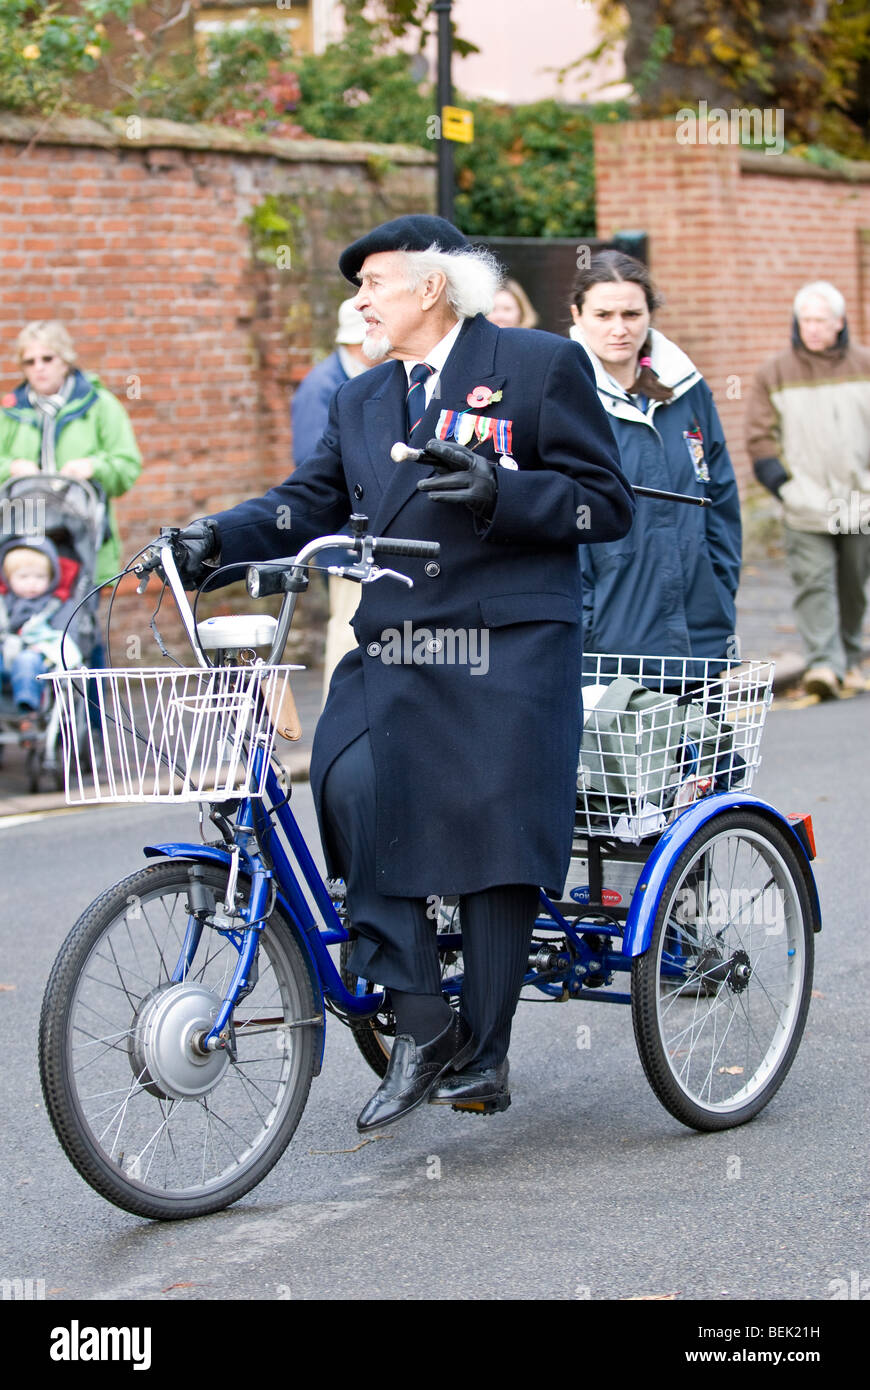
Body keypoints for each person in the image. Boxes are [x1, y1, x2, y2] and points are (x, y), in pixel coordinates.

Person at [168, 214, 635, 1131]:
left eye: (373, 281)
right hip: (398, 640)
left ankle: (484, 1052)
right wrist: (217, 537)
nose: (362, 300)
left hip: (508, 642)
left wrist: (507, 492)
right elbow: (310, 501)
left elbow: (605, 504)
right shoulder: (363, 397)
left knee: (493, 838)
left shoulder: (537, 364)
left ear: (430, 287)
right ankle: (422, 1017)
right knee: (350, 784)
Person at [569, 251, 741, 664]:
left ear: (649, 314)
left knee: (702, 732)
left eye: (631, 314)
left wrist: (720, 586)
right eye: (603, 314)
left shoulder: (687, 388)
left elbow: (720, 496)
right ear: (577, 315)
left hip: (700, 628)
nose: (619, 329)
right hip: (607, 637)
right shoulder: (561, 394)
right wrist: (587, 616)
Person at [746, 281, 870, 698]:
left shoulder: (865, 364)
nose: (812, 328)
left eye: (821, 320)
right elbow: (760, 437)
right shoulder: (774, 373)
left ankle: (851, 660)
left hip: (858, 501)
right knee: (814, 583)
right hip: (806, 503)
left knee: (854, 584)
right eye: (805, 321)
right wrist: (784, 486)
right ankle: (823, 665)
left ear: (839, 323)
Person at [0, 321, 142, 588]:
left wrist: (93, 466)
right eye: (29, 362)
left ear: (64, 360)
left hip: (81, 538)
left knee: (78, 619)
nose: (39, 367)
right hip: (21, 540)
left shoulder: (99, 405)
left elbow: (127, 465)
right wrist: (12, 468)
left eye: (47, 358)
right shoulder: (10, 412)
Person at [291, 298, 374, 698]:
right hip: (346, 543)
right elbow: (316, 470)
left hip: (363, 540)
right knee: (346, 633)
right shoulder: (323, 387)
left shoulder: (348, 378)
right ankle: (334, 722)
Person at [0, 536, 81, 715]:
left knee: (26, 661)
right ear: (8, 578)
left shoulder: (57, 604)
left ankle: (27, 708)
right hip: (6, 654)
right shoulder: (4, 603)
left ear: (52, 577)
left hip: (38, 658)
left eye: (39, 577)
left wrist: (45, 648)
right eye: (23, 577)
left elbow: (66, 635)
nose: (32, 583)